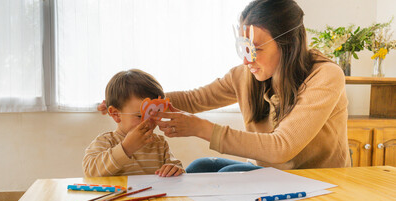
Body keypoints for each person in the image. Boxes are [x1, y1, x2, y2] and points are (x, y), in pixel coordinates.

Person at [98, 0, 351, 172]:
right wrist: (140, 104)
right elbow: (195, 99)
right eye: (244, 48)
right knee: (198, 168)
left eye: (257, 49)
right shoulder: (246, 75)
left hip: (317, 181)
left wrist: (202, 129)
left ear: (288, 45)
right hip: (272, 177)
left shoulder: (325, 76)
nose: (246, 59)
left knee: (227, 173)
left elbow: (281, 148)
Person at [84, 69, 184, 177]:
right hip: (120, 194)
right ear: (116, 114)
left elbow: (177, 171)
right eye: (140, 116)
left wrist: (175, 169)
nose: (148, 121)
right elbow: (90, 173)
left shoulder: (160, 144)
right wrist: (126, 148)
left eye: (155, 114)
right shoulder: (105, 141)